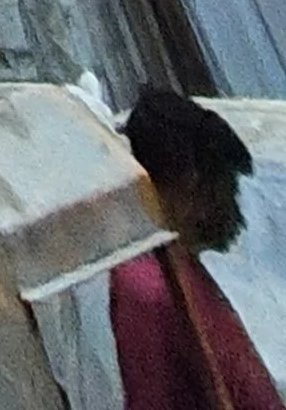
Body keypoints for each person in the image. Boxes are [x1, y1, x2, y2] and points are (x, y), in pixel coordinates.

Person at [112, 87, 283, 410]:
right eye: (229, 187)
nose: (238, 212)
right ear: (194, 183)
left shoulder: (181, 270)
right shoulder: (149, 289)